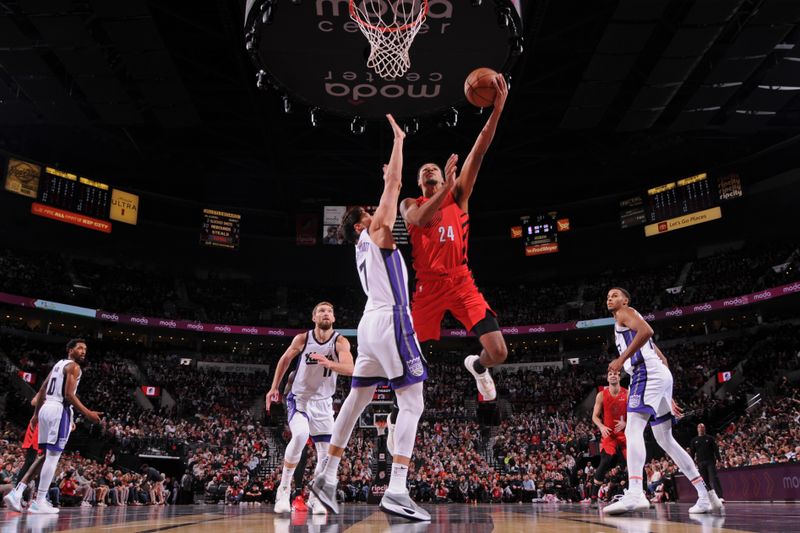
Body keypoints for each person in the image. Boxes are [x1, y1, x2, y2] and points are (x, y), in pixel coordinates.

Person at [311, 114, 430, 522]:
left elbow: (389, 193)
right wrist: (398, 143)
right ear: (363, 221)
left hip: (368, 324)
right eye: (371, 211)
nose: (377, 211)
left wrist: (386, 182)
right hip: (392, 320)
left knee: (358, 397)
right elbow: (395, 188)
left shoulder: (360, 247)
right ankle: (397, 488)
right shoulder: (375, 231)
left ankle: (326, 476)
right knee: (412, 401)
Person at [398, 73, 509, 403]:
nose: (431, 171)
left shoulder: (458, 194)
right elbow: (417, 219)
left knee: (499, 352)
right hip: (427, 285)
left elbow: (478, 151)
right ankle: (396, 411)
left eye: (434, 169)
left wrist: (497, 110)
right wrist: (444, 185)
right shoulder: (410, 203)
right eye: (425, 172)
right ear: (420, 182)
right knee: (403, 354)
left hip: (461, 281)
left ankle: (477, 366)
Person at [602, 289, 723, 516]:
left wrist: (620, 360)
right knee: (665, 439)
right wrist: (666, 394)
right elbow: (662, 358)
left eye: (615, 295)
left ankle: (636, 492)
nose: (610, 298)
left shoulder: (624, 313)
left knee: (633, 429)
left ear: (626, 300)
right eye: (608, 296)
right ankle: (705, 496)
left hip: (645, 373)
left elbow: (648, 331)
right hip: (659, 375)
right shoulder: (630, 322)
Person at [265, 302, 354, 515]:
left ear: (333, 319)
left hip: (324, 403)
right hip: (300, 399)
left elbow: (351, 368)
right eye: (321, 311)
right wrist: (273, 387)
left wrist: (329, 363)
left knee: (326, 455)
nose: (326, 313)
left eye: (330, 311)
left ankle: (315, 497)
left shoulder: (340, 341)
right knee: (301, 435)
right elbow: (285, 359)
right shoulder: (303, 339)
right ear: (314, 318)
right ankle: (283, 491)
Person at [27, 339, 103, 514]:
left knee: (45, 455)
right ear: (70, 350)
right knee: (52, 457)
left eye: (85, 348)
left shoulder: (58, 365)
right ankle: (39, 500)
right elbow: (69, 395)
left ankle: (36, 498)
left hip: (46, 408)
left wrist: (36, 414)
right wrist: (88, 413)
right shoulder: (74, 367)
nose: (83, 351)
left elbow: (43, 389)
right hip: (58, 409)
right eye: (80, 348)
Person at [590, 369, 628, 507]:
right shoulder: (601, 395)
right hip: (609, 435)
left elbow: (635, 415)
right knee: (605, 462)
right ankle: (593, 496)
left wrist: (626, 423)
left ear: (619, 377)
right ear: (607, 378)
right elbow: (594, 416)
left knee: (635, 462)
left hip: (624, 434)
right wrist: (601, 427)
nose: (612, 376)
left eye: (615, 374)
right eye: (610, 374)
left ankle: (643, 494)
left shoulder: (627, 394)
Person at [3, 393, 47, 512]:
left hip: (44, 428)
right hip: (36, 427)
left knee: (39, 464)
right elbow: (33, 402)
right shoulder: (46, 391)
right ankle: (18, 493)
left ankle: (31, 496)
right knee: (31, 461)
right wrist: (44, 401)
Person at [690, 423, 724, 503]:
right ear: (697, 429)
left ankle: (720, 497)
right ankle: (710, 498)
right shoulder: (694, 440)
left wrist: (719, 460)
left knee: (714, 478)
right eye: (699, 427)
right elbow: (692, 453)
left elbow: (716, 450)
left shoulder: (710, 438)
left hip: (710, 462)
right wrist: (692, 463)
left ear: (704, 428)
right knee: (705, 481)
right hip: (700, 463)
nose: (701, 428)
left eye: (702, 427)